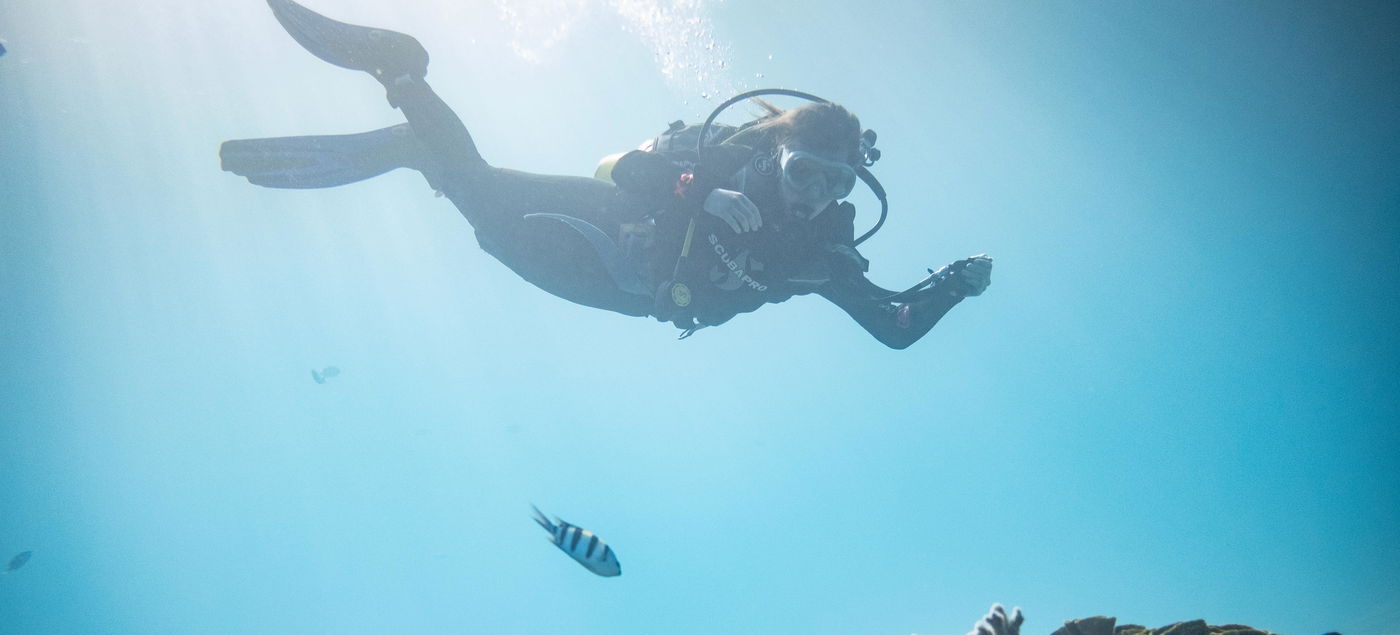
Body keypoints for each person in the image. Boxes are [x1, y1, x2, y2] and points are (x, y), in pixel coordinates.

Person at [222, 0, 993, 347]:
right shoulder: (727, 160)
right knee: (487, 206)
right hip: (611, 225)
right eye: (804, 172)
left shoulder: (819, 256)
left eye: (834, 185)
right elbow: (614, 165)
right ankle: (403, 78)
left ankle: (408, 136)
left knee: (474, 198)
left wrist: (955, 283)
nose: (812, 194)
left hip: (629, 291)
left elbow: (893, 328)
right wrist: (700, 189)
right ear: (777, 155)